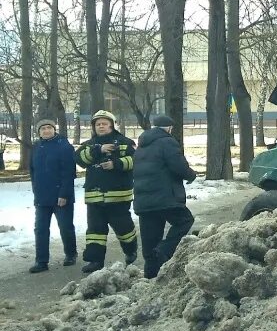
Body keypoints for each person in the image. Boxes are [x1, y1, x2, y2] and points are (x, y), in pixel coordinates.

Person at [133, 114, 197, 279]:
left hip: (144, 201)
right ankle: (165, 250)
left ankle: (150, 277)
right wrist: (191, 175)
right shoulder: (167, 141)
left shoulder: (142, 145)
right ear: (169, 128)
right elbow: (179, 166)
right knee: (184, 220)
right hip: (165, 198)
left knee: (150, 241)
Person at [75, 110, 137, 274]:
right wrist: (98, 150)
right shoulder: (90, 144)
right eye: (97, 124)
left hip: (118, 197)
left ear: (112, 125)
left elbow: (136, 160)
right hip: (94, 197)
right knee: (95, 231)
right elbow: (80, 160)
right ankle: (95, 261)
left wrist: (115, 164)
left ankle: (130, 250)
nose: (101, 126)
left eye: (104, 123)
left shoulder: (125, 142)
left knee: (124, 229)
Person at [28, 119, 77, 273]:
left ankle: (71, 254)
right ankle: (41, 261)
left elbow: (69, 172)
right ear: (39, 132)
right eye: (43, 129)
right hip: (42, 197)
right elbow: (33, 171)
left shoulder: (64, 146)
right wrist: (36, 191)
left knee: (65, 227)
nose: (46, 131)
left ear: (54, 130)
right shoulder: (36, 147)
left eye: (49, 128)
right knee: (40, 229)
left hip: (61, 196)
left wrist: (64, 194)